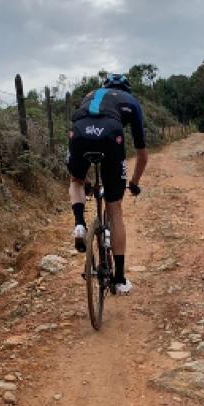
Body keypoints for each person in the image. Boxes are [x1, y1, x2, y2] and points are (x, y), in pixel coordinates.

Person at [66, 73, 148, 295]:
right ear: (126, 89)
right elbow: (142, 155)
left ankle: (80, 223)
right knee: (115, 209)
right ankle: (120, 280)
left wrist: (85, 178)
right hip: (112, 135)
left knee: (76, 180)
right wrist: (134, 182)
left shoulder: (90, 95)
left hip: (80, 131)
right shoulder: (131, 102)